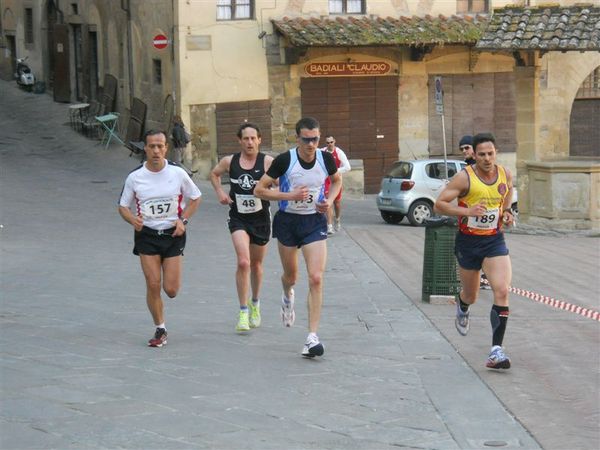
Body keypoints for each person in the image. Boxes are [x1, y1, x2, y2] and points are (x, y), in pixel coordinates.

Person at [254, 117, 341, 358]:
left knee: (315, 277)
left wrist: (329, 201)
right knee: (291, 276)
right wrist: (289, 195)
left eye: (315, 139)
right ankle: (287, 294)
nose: (311, 144)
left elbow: (336, 181)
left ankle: (312, 337)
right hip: (288, 223)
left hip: (314, 222)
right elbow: (259, 189)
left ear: (319, 137)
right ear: (297, 138)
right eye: (306, 139)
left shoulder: (325, 159)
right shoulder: (285, 160)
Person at [434, 132, 515, 369]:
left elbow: (507, 191)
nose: (487, 158)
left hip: (494, 241)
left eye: (490, 153)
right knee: (471, 295)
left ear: (496, 152)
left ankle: (496, 351)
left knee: (501, 290)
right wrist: (467, 212)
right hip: (468, 242)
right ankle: (462, 305)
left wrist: (508, 212)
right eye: (482, 154)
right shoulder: (463, 178)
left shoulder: (504, 173)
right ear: (475, 155)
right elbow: (439, 205)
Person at [118, 129, 202, 347]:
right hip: (147, 235)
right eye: (151, 146)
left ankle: (161, 319)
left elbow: (196, 198)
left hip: (173, 235)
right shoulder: (135, 177)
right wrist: (132, 220)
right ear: (145, 148)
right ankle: (160, 328)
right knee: (153, 283)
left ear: (166, 148)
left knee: (171, 290)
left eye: (160, 146)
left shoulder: (177, 173)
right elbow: (122, 206)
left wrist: (183, 221)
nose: (156, 150)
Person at [210, 123, 274, 332]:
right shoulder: (230, 161)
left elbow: (283, 183)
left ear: (259, 140)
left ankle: (255, 303)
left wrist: (276, 192)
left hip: (261, 220)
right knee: (244, 262)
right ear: (239, 140)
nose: (249, 142)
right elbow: (214, 174)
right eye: (245, 138)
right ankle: (243, 312)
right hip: (238, 218)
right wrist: (220, 192)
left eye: (253, 138)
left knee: (256, 265)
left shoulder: (267, 162)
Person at [459, 134, 491, 289]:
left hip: (483, 213)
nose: (464, 151)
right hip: (471, 214)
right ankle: (478, 277)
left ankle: (484, 278)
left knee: (484, 247)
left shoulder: (478, 166)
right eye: (462, 149)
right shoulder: (466, 167)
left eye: (467, 148)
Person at [321, 136, 351, 234]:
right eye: (327, 142)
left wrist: (335, 170)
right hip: (326, 180)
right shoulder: (322, 151)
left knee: (337, 203)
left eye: (331, 142)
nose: (329, 144)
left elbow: (347, 167)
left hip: (336, 179)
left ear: (335, 141)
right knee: (327, 201)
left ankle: (337, 219)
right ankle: (329, 226)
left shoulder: (339, 152)